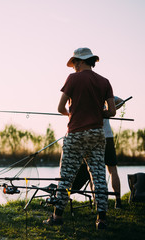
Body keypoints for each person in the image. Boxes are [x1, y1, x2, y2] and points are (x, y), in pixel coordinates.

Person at [43, 47, 116, 230]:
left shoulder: (73, 79)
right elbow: (112, 112)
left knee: (66, 176)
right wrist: (99, 113)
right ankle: (102, 219)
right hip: (97, 134)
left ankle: (57, 216)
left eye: (75, 62)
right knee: (98, 175)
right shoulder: (104, 81)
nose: (73, 66)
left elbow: (60, 108)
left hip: (75, 133)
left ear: (82, 61)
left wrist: (71, 114)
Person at [104, 96, 124, 209]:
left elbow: (121, 102)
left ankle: (98, 202)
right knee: (112, 169)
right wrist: (110, 109)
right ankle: (118, 201)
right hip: (107, 137)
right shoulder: (104, 92)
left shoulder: (89, 94)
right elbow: (120, 101)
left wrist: (109, 109)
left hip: (95, 136)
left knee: (94, 171)